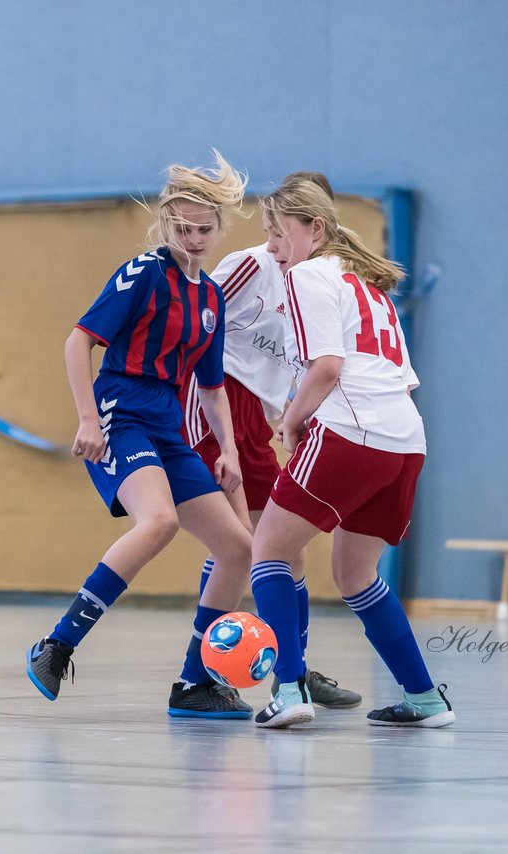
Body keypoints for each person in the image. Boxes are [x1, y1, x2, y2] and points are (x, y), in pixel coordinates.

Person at [25, 151, 257, 718]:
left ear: (219, 229)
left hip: (168, 422)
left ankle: (194, 682)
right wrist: (86, 418)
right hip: (121, 408)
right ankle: (56, 645)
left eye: (204, 229)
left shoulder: (211, 299)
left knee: (237, 548)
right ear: (165, 221)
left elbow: (211, 385)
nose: (194, 238)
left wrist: (227, 449)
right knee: (158, 522)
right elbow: (78, 340)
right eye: (183, 227)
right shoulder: (143, 273)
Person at [245, 176, 454, 729]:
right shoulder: (367, 283)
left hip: (349, 433)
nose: (271, 247)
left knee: (267, 549)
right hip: (405, 442)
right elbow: (394, 377)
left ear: (313, 229)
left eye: (277, 233)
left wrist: (290, 422)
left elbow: (329, 368)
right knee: (356, 575)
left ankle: (289, 693)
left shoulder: (308, 275)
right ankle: (426, 700)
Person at [181, 172, 361, 710]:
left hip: (258, 416)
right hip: (215, 402)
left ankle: (294, 668)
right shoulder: (252, 265)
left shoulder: (324, 282)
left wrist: (289, 411)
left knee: (285, 549)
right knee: (237, 543)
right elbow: (196, 317)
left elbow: (299, 359)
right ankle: (195, 679)